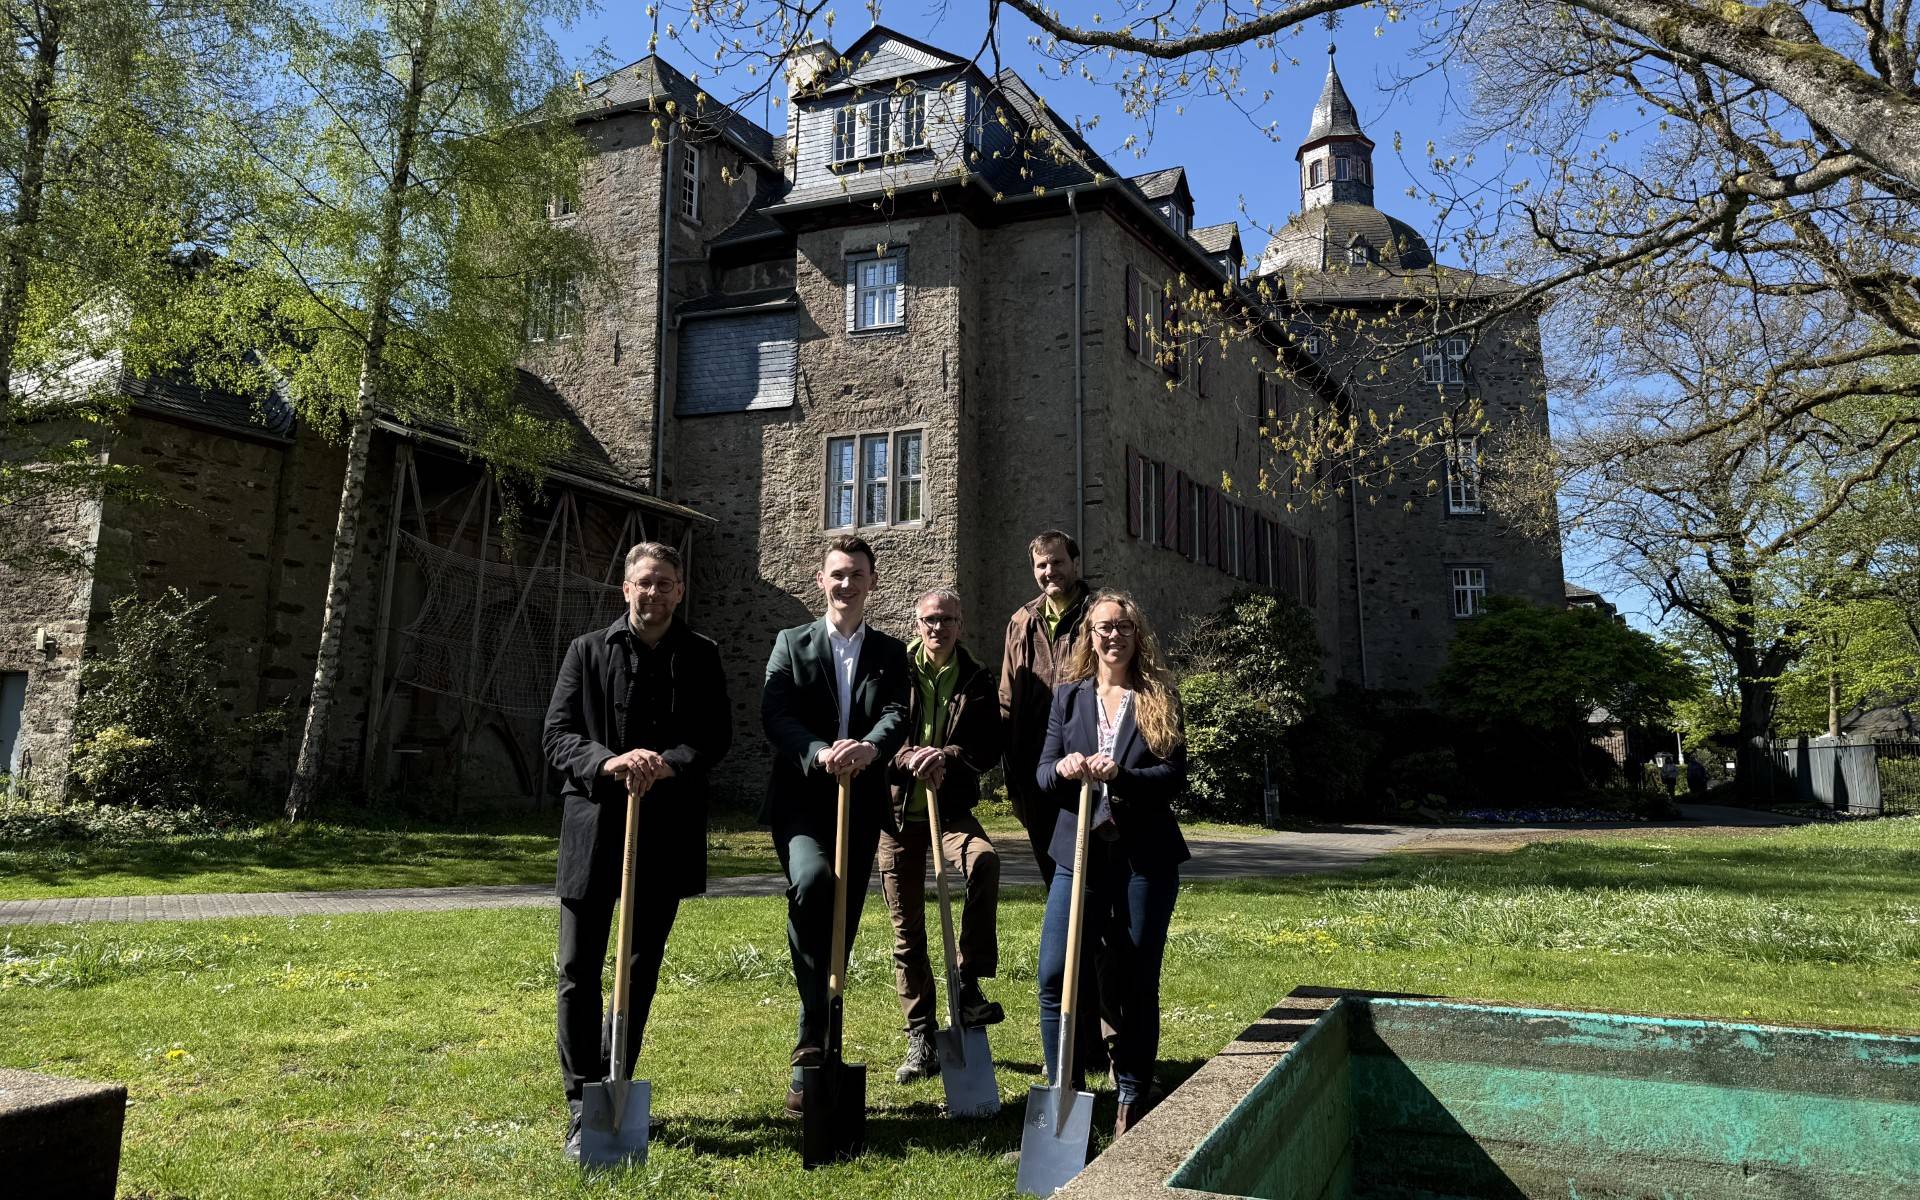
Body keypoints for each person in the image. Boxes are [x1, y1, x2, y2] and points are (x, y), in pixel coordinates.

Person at [542, 541, 731, 1162]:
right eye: (645, 583)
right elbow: (558, 736)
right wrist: (609, 761)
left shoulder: (701, 656)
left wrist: (665, 764)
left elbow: (713, 737)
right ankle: (581, 1100)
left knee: (637, 969)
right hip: (594, 829)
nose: (655, 594)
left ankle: (614, 1083)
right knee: (578, 967)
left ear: (681, 591)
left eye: (667, 584)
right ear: (626, 588)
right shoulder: (587, 652)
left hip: (666, 831)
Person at [761, 535, 911, 1115]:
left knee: (842, 921)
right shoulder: (790, 643)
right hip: (803, 801)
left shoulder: (889, 652)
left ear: (872, 583)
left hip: (862, 799)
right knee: (814, 883)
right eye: (837, 575)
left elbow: (898, 712)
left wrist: (869, 749)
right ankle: (812, 1038)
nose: (846, 584)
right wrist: (822, 751)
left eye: (856, 575)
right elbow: (776, 715)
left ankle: (822, 1049)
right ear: (821, 582)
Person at [1034, 589, 1190, 1138]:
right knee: (1055, 974)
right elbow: (1042, 772)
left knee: (1135, 978)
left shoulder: (1157, 696)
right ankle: (1064, 1095)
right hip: (1077, 855)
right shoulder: (1068, 698)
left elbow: (1173, 776)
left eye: (1122, 626)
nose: (1112, 636)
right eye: (1103, 627)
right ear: (1089, 637)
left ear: (1136, 633)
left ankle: (1130, 1095)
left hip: (1143, 859)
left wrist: (1121, 778)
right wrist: (1067, 768)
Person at [878, 587, 1006, 1085]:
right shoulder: (892, 669)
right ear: (917, 623)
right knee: (908, 932)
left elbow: (988, 744)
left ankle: (967, 984)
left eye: (948, 619)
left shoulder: (976, 678)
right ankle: (921, 1035)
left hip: (948, 812)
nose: (939, 627)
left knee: (984, 861)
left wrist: (946, 757)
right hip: (894, 817)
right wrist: (910, 755)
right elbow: (876, 731)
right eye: (931, 619)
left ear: (961, 624)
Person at [1000, 531, 1090, 887]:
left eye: (1057, 562)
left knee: (1088, 866)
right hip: (1034, 763)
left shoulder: (1096, 614)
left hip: (1084, 758)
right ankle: (1065, 938)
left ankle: (1092, 940)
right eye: (1042, 564)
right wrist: (1011, 769)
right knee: (1050, 868)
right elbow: (1007, 697)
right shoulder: (1021, 621)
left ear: (1075, 564)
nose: (1049, 570)